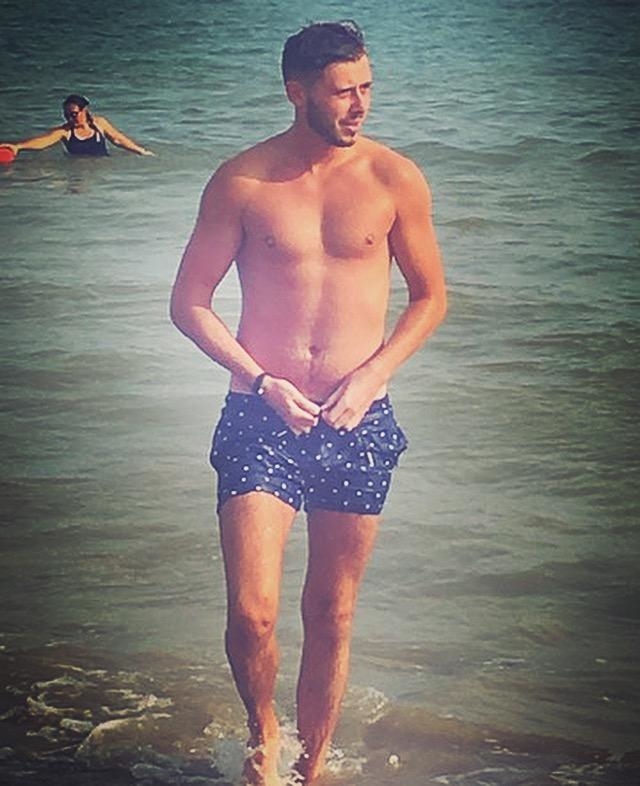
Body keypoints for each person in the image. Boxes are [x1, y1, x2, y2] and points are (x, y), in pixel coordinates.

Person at [170, 20, 446, 786]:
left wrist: (373, 375)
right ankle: (264, 731)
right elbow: (189, 302)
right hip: (260, 414)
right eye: (342, 91)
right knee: (252, 612)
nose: (359, 104)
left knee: (331, 611)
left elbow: (430, 297)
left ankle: (310, 769)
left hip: (359, 420)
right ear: (297, 92)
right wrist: (260, 378)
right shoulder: (243, 182)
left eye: (366, 88)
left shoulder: (394, 179)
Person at [0, 94, 154, 158]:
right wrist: (18, 147)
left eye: (74, 114)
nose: (70, 118)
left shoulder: (99, 123)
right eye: (66, 114)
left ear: (84, 110)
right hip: (76, 173)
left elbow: (118, 139)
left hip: (100, 170)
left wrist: (141, 151)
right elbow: (43, 141)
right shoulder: (65, 132)